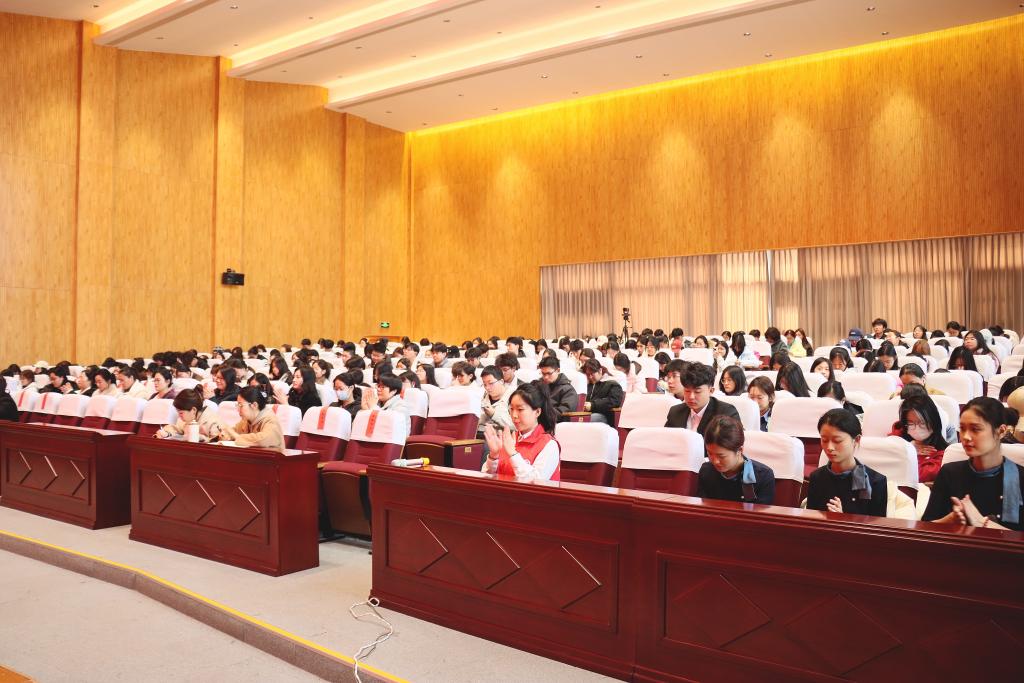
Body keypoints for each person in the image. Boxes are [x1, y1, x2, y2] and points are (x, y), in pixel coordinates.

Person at [922, 398, 1023, 531]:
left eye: (975, 429)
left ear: (1001, 431)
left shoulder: (1018, 477)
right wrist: (950, 520)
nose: (966, 437)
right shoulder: (950, 473)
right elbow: (926, 528)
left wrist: (981, 522)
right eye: (962, 429)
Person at [806, 409, 888, 517]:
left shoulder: (875, 482)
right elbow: (811, 521)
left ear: (856, 440)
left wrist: (842, 519)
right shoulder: (817, 478)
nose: (829, 447)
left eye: (837, 441)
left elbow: (876, 526)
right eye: (824, 440)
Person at [482, 382, 560, 482]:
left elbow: (536, 482)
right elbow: (486, 477)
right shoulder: (509, 439)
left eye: (520, 409)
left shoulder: (549, 444)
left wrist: (513, 454)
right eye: (511, 409)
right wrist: (493, 455)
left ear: (537, 412)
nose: (514, 415)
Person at [697, 415, 776, 505]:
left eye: (721, 456)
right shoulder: (706, 471)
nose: (715, 461)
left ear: (740, 450)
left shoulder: (763, 476)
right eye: (710, 453)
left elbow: (760, 512)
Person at [665, 363, 740, 436]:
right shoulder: (675, 412)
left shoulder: (726, 413)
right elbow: (666, 439)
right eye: (687, 391)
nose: (691, 397)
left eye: (697, 391)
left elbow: (733, 441)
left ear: (711, 391)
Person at [889, 394, 948, 484]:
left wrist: (909, 453)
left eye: (922, 423)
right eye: (910, 423)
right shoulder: (898, 436)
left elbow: (916, 476)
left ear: (933, 421)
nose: (916, 428)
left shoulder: (944, 455)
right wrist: (906, 447)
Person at [220, 386, 285, 452]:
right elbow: (234, 431)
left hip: (272, 457)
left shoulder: (270, 420)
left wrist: (236, 436)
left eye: (241, 405)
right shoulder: (246, 420)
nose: (238, 410)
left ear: (254, 405)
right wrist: (226, 435)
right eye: (238, 405)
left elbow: (263, 440)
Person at [154, 389, 223, 441]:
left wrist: (202, 438)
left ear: (193, 410)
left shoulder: (212, 421)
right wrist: (166, 433)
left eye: (181, 413)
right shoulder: (186, 418)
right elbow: (175, 428)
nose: (179, 416)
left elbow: (218, 441)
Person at [580, 358, 624, 424]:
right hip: (588, 413)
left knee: (587, 419)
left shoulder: (612, 384)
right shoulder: (588, 385)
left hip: (604, 415)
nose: (590, 377)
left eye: (592, 374)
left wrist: (592, 405)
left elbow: (614, 401)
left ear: (600, 370)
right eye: (588, 374)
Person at [479, 365, 514, 436]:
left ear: (501, 381)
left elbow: (516, 426)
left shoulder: (513, 397)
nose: (487, 388)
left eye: (491, 383)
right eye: (485, 384)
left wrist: (494, 414)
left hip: (502, 437)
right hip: (481, 434)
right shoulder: (483, 396)